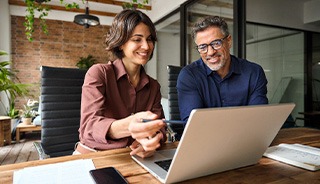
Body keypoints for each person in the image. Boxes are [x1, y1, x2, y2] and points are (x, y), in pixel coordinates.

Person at [75, 9, 167, 158]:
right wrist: (129, 126)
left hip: (133, 158)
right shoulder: (99, 73)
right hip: (93, 156)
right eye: (137, 39)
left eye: (149, 39)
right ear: (120, 44)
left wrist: (152, 142)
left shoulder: (153, 86)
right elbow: (89, 126)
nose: (146, 46)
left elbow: (160, 127)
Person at [177, 16, 268, 121]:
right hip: (207, 137)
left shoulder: (254, 72)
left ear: (228, 41)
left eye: (216, 43)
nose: (210, 52)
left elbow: (258, 119)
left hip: (247, 137)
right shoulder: (189, 76)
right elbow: (192, 125)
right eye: (203, 47)